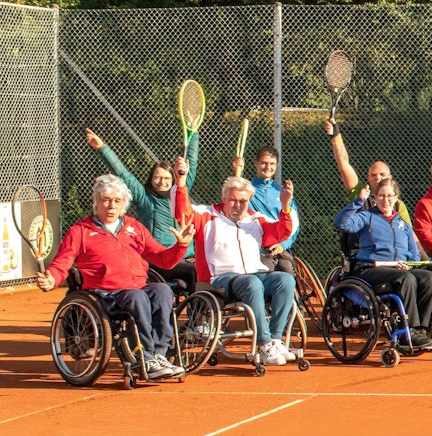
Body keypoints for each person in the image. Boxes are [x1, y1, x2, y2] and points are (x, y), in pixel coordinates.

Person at [36, 175, 195, 380]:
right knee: (137, 297)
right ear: (96, 202)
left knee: (163, 290)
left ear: (124, 204)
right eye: (106, 200)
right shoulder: (80, 231)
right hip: (105, 294)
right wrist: (52, 279)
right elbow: (62, 262)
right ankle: (145, 357)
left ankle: (159, 355)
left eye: (117, 201)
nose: (111, 206)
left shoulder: (134, 227)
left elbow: (163, 260)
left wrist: (181, 246)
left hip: (137, 287)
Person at [174, 175, 299, 367]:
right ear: (224, 197)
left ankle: (275, 340)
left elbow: (281, 232)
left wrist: (285, 206)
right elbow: (183, 214)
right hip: (219, 280)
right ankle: (264, 344)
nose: (238, 205)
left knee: (285, 279)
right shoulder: (206, 215)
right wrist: (181, 183)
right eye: (233, 200)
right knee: (252, 283)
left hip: (254, 274)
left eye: (243, 201)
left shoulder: (255, 219)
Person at [334, 178, 432, 348]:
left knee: (430, 278)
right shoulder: (367, 217)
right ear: (375, 197)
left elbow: (414, 254)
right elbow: (342, 223)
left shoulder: (403, 224)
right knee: (407, 279)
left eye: (390, 195)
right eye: (381, 196)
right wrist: (358, 201)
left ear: (396, 197)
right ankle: (408, 330)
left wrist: (410, 264)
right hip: (371, 268)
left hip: (400, 269)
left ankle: (420, 329)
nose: (386, 200)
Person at [84, 129, 193, 283]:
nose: (162, 182)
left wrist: (193, 131)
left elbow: (190, 164)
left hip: (186, 256)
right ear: (151, 179)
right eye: (157, 177)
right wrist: (102, 147)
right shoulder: (144, 197)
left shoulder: (180, 195)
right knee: (191, 272)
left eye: (167, 178)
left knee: (200, 271)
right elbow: (123, 173)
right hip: (160, 259)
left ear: (174, 180)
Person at [231, 145, 300, 255]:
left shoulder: (283, 192)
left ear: (277, 165)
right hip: (251, 245)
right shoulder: (246, 189)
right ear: (256, 163)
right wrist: (237, 172)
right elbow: (235, 192)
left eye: (272, 164)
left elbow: (294, 224)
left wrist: (283, 245)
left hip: (278, 247)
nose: (268, 167)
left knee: (286, 264)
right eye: (264, 163)